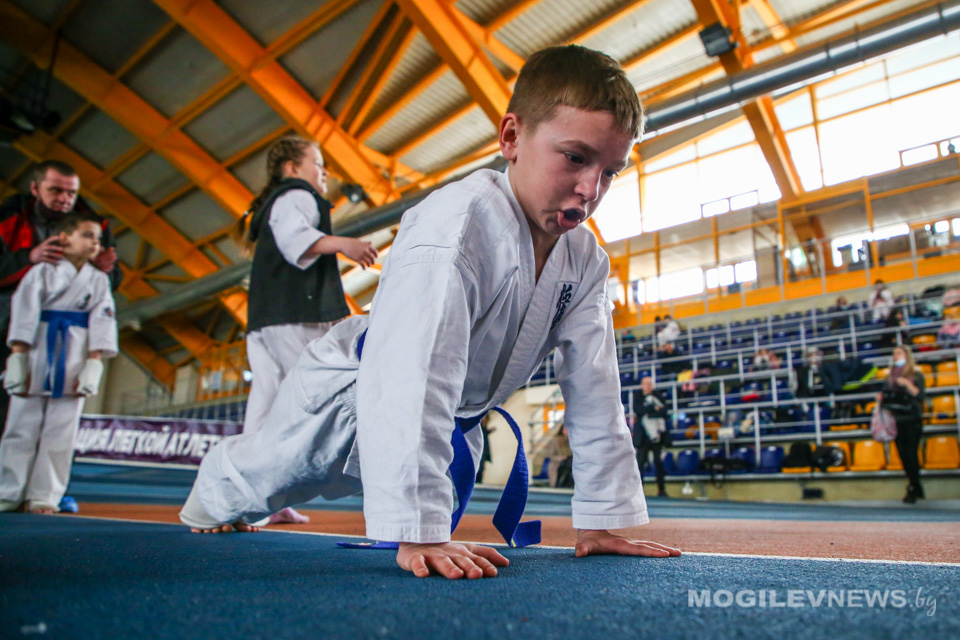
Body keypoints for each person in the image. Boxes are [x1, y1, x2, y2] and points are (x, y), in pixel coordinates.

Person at [178, 44, 681, 578]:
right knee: (264, 479)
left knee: (341, 483)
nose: (590, 188)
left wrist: (602, 519)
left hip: (449, 422)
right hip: (347, 396)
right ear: (511, 137)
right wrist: (420, 530)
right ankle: (215, 483)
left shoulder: (585, 260)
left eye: (610, 171)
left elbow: (595, 388)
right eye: (575, 158)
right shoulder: (457, 224)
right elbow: (414, 374)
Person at [234, 136, 378, 525]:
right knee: (306, 400)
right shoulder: (295, 195)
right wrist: (345, 244)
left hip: (269, 318)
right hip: (293, 315)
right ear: (292, 168)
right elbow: (295, 240)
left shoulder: (277, 201)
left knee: (268, 404)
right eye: (317, 162)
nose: (324, 171)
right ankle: (262, 493)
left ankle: (261, 497)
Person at [0, 211, 117, 513]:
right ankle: (8, 491)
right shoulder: (41, 272)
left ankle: (45, 495)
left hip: (75, 358)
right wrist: (17, 356)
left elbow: (102, 323)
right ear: (64, 238)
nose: (95, 243)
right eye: (88, 236)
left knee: (61, 433)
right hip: (37, 352)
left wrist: (93, 364)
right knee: (20, 428)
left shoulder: (98, 280)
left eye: (98, 239)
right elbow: (23, 313)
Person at [0, 161, 121, 437]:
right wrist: (28, 258)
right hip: (9, 323)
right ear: (35, 189)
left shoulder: (95, 226)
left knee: (61, 419)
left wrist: (104, 269)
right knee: (12, 408)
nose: (64, 198)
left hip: (67, 340)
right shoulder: (8, 219)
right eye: (55, 190)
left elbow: (112, 281)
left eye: (71, 193)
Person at [877, 345, 925, 503]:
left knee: (911, 453)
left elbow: (920, 395)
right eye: (894, 354)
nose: (895, 356)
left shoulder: (916, 375)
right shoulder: (889, 378)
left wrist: (907, 385)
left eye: (898, 353)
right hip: (896, 419)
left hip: (911, 418)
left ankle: (913, 486)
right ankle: (915, 484)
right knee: (902, 454)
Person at [632, 377, 669, 497]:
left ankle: (661, 490)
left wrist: (648, 410)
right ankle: (638, 491)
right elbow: (638, 410)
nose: (648, 386)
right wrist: (653, 408)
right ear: (642, 385)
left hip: (656, 435)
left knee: (659, 462)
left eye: (650, 384)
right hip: (643, 436)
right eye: (646, 384)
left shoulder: (658, 395)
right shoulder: (637, 396)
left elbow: (664, 411)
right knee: (640, 463)